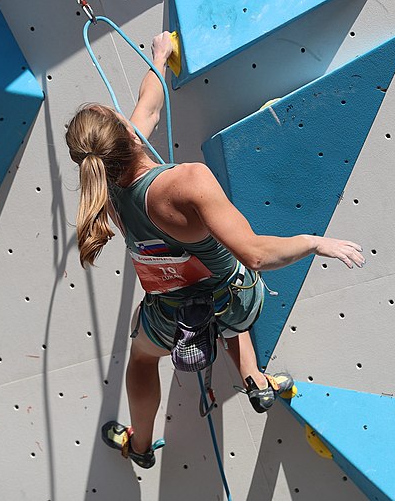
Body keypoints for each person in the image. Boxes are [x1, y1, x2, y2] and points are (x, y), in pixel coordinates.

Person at [65, 31, 365, 469]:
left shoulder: (105, 185)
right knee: (226, 298)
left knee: (142, 358)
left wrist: (158, 58)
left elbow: (147, 108)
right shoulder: (187, 182)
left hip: (170, 319)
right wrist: (314, 242)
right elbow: (256, 255)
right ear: (125, 136)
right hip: (236, 300)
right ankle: (256, 381)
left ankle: (141, 445)